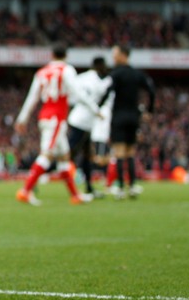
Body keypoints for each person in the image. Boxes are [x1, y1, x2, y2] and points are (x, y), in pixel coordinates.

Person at [14, 44, 99, 206]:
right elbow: (78, 92)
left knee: (64, 157)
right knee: (47, 155)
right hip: (56, 118)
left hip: (45, 116)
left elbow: (32, 97)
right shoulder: (66, 70)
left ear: (52, 55)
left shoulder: (42, 72)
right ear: (66, 55)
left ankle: (75, 195)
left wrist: (22, 119)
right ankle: (25, 190)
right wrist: (94, 109)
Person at [100, 44, 155, 199]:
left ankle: (120, 188)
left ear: (123, 55)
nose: (113, 57)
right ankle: (132, 186)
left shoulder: (116, 74)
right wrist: (149, 111)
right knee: (130, 152)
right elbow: (151, 90)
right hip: (134, 117)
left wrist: (98, 108)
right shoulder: (137, 74)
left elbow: (107, 92)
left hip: (119, 116)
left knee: (119, 153)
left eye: (115, 54)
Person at [65, 55, 111, 197]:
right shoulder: (96, 81)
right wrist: (96, 111)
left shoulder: (82, 78)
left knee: (86, 156)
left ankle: (89, 187)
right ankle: (39, 175)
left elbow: (72, 96)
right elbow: (87, 98)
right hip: (82, 122)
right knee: (67, 154)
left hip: (82, 121)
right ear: (100, 66)